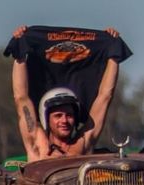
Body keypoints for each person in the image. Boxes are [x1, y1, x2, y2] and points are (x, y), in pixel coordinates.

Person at [11, 26, 122, 161]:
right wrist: (20, 52)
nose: (64, 120)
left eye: (69, 115)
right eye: (58, 115)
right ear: (46, 118)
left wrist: (114, 54)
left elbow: (105, 97)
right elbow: (21, 98)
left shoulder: (83, 143)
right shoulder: (38, 144)